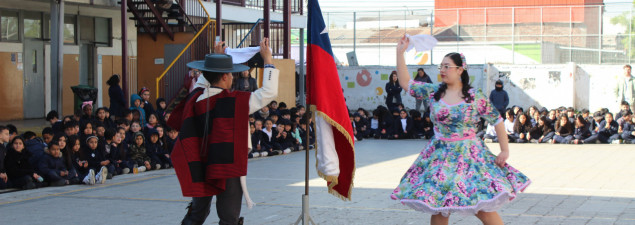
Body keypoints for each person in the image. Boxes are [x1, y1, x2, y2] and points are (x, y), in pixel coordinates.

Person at [391, 36, 530, 225]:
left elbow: (497, 120)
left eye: (447, 66)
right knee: (439, 208)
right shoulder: (434, 91)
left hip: (470, 157)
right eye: (441, 66)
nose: (442, 70)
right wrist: (400, 52)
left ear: (460, 70)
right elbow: (406, 83)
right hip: (440, 157)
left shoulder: (474, 96)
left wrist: (505, 150)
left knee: (482, 208)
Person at [169, 38, 279, 225]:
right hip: (227, 165)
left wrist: (216, 59)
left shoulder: (195, 97)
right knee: (229, 217)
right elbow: (268, 92)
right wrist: (268, 60)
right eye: (231, 74)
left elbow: (203, 83)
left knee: (197, 213)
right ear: (226, 76)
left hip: (200, 162)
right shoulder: (235, 101)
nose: (233, 78)